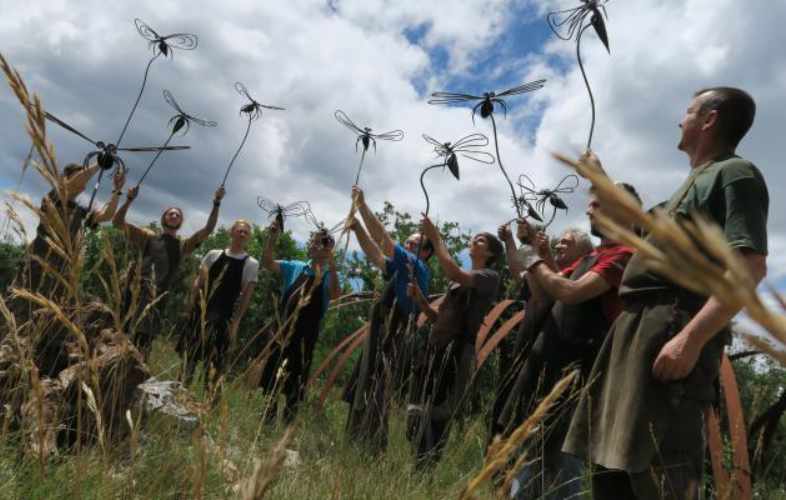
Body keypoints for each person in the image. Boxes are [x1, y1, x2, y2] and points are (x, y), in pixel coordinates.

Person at [563, 87, 768, 499]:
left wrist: (689, 340)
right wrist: (600, 180)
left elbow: (748, 267)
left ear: (709, 120)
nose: (680, 119)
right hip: (635, 335)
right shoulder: (689, 185)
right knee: (612, 471)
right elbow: (638, 233)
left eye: (688, 111)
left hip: (668, 330)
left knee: (659, 475)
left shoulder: (735, 173)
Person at [503, 184, 639, 500]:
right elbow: (548, 289)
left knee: (563, 471)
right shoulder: (591, 257)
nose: (588, 208)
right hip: (548, 374)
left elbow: (570, 292)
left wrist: (534, 258)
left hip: (577, 379)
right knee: (529, 466)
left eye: (597, 204)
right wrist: (529, 247)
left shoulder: (623, 256)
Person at [10, 163, 125, 376]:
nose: (83, 185)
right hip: (37, 264)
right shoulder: (55, 195)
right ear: (66, 177)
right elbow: (73, 186)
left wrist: (117, 190)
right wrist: (99, 163)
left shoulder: (81, 207)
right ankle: (10, 359)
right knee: (20, 314)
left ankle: (35, 368)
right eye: (78, 177)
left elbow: (106, 215)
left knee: (49, 319)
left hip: (62, 272)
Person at [407, 214, 503, 468]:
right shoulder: (459, 279)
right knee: (417, 414)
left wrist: (436, 237)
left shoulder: (488, 277)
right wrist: (421, 301)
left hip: (456, 352)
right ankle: (418, 465)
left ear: (491, 253)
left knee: (438, 415)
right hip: (436, 349)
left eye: (481, 240)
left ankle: (426, 469)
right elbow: (438, 317)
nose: (474, 240)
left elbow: (453, 270)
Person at [343, 186, 433, 452]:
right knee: (363, 383)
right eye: (407, 243)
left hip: (395, 336)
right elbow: (376, 255)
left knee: (377, 390)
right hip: (381, 333)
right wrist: (358, 229)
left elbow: (382, 241)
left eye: (414, 244)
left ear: (425, 252)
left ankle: (371, 450)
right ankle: (354, 443)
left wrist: (361, 205)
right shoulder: (400, 269)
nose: (408, 246)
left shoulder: (418, 267)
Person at [487, 222, 594, 444]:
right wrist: (512, 242)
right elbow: (521, 274)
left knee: (530, 424)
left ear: (584, 252)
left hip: (550, 360)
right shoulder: (550, 272)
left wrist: (534, 249)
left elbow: (551, 290)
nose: (560, 244)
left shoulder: (581, 278)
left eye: (568, 242)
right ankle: (499, 471)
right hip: (526, 351)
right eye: (560, 241)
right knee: (505, 412)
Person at [113, 183, 224, 358]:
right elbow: (117, 222)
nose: (173, 215)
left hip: (158, 299)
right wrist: (128, 200)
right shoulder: (148, 236)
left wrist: (216, 203)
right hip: (134, 293)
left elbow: (208, 229)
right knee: (120, 337)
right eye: (170, 213)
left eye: (177, 214)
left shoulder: (183, 246)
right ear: (164, 218)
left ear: (180, 222)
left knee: (142, 346)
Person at [258, 221, 341, 423]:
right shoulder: (295, 267)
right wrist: (272, 237)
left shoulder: (329, 275)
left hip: (306, 335)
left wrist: (331, 262)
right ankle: (266, 421)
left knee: (296, 379)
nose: (315, 246)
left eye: (321, 244)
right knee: (272, 376)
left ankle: (287, 425)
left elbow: (336, 294)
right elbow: (267, 262)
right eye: (313, 242)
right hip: (282, 330)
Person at [179, 219, 259, 389]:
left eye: (246, 232)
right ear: (231, 232)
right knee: (189, 359)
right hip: (199, 312)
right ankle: (180, 392)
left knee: (214, 365)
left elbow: (246, 297)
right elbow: (198, 282)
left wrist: (236, 323)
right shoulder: (213, 254)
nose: (242, 234)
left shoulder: (251, 264)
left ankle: (208, 405)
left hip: (223, 318)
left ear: (249, 237)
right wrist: (189, 307)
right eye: (239, 230)